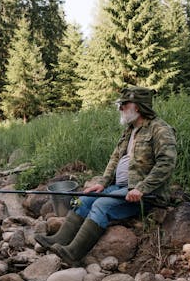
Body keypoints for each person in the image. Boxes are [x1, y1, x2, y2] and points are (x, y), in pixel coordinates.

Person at [35, 86, 177, 266]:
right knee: (85, 200)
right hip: (119, 188)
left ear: (138, 107)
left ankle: (73, 253)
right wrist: (102, 183)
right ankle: (59, 239)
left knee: (102, 204)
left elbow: (166, 164)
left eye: (124, 105)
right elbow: (115, 158)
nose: (121, 108)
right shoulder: (129, 130)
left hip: (145, 195)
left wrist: (141, 188)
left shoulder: (160, 130)